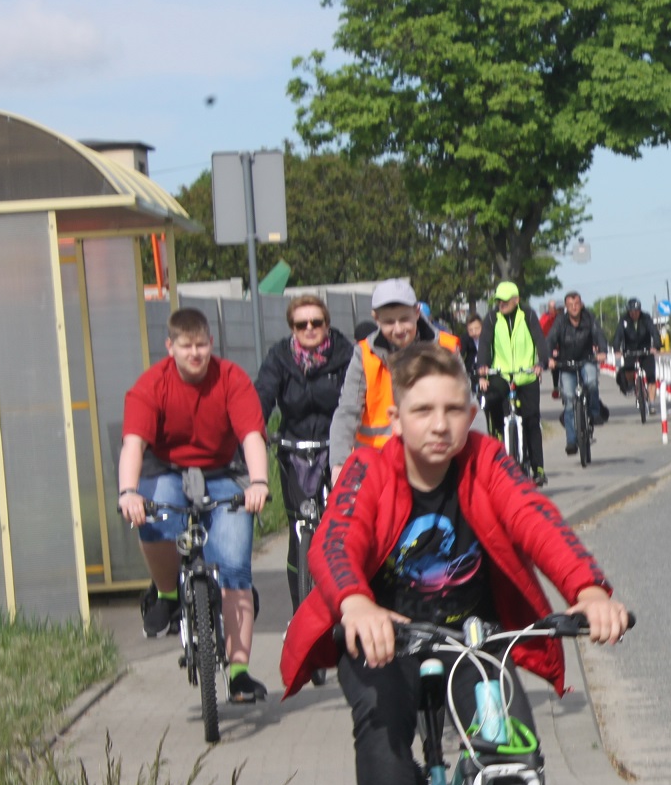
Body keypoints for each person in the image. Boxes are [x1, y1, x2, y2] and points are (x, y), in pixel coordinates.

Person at [278, 342, 631, 785]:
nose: (439, 424)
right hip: (383, 639)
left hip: (471, 638)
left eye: (453, 409)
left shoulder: (485, 461)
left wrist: (588, 588)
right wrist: (356, 603)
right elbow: (335, 541)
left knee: (510, 752)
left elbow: (536, 518)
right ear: (397, 419)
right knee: (383, 733)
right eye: (422, 410)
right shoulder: (368, 470)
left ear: (472, 413)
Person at [117, 307, 274, 703]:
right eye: (186, 346)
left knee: (235, 567)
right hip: (167, 468)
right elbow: (133, 444)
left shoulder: (231, 379)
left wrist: (258, 483)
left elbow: (252, 436)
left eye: (202, 345)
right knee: (153, 518)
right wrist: (128, 492)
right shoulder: (151, 385)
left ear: (211, 344)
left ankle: (238, 672)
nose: (195, 354)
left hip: (225, 470)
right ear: (170, 347)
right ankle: (168, 594)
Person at [255, 294, 351, 606]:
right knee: (300, 532)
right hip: (294, 450)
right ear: (292, 328)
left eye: (316, 322)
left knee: (342, 530)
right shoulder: (280, 357)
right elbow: (263, 394)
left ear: (327, 324)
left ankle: (345, 600)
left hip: (335, 449)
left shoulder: (346, 354)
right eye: (301, 324)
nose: (309, 328)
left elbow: (356, 399)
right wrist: (255, 427)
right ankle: (301, 610)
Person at [329, 278, 463, 481]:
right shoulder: (364, 354)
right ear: (376, 319)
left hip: (433, 459)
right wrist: (339, 464)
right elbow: (348, 410)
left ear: (417, 312)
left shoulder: (446, 348)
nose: (398, 329)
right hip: (378, 464)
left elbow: (465, 404)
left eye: (405, 319)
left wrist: (478, 459)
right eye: (389, 322)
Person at [478, 280, 549, 485]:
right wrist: (482, 368)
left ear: (516, 300)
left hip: (525, 375)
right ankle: (499, 440)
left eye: (505, 300)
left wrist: (541, 363)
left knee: (531, 419)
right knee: (490, 401)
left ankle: (537, 467)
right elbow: (484, 343)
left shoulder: (528, 315)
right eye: (499, 300)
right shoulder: (492, 318)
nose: (501, 303)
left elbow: (539, 340)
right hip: (501, 374)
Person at [546, 290, 610, 456]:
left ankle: (595, 413)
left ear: (581, 305)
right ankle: (571, 441)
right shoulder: (560, 321)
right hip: (566, 364)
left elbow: (599, 335)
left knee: (591, 382)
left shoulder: (589, 318)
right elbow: (550, 339)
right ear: (566, 307)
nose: (574, 308)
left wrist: (602, 351)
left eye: (577, 304)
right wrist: (548, 358)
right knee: (568, 400)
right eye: (570, 305)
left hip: (586, 360)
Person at [614, 297, 660, 391]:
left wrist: (656, 346)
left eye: (636, 311)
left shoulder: (646, 318)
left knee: (651, 377)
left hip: (645, 349)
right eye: (631, 311)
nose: (633, 314)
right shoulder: (624, 320)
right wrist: (617, 349)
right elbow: (618, 335)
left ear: (639, 310)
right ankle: (631, 383)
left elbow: (654, 332)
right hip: (630, 349)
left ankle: (651, 404)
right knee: (629, 368)